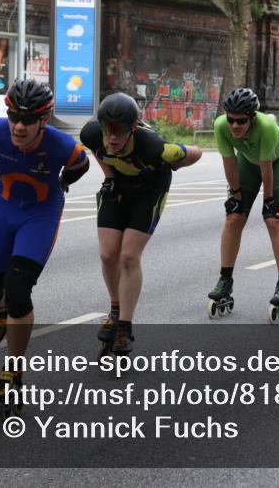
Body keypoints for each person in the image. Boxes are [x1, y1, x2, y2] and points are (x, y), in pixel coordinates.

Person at [0, 79, 90, 427]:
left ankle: (13, 371)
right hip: (2, 208)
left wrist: (63, 183)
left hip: (39, 214)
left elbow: (79, 166)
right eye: (13, 116)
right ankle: (0, 312)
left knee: (20, 288)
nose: (19, 126)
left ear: (44, 119)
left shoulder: (62, 147)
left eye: (28, 119)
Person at [80, 93, 202, 357]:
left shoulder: (153, 146)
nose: (111, 137)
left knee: (127, 256)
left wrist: (178, 161)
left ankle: (124, 325)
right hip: (120, 185)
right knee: (107, 254)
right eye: (107, 129)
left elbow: (197, 152)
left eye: (119, 130)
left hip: (150, 190)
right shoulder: (91, 134)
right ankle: (114, 309)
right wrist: (109, 177)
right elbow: (99, 152)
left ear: (133, 128)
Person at [211, 88, 279, 322]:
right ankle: (225, 279)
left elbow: (266, 167)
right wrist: (235, 194)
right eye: (231, 120)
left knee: (273, 219)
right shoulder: (220, 126)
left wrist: (269, 199)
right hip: (248, 162)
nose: (235, 126)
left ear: (252, 118)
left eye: (241, 121)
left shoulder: (266, 127)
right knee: (234, 216)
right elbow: (229, 163)